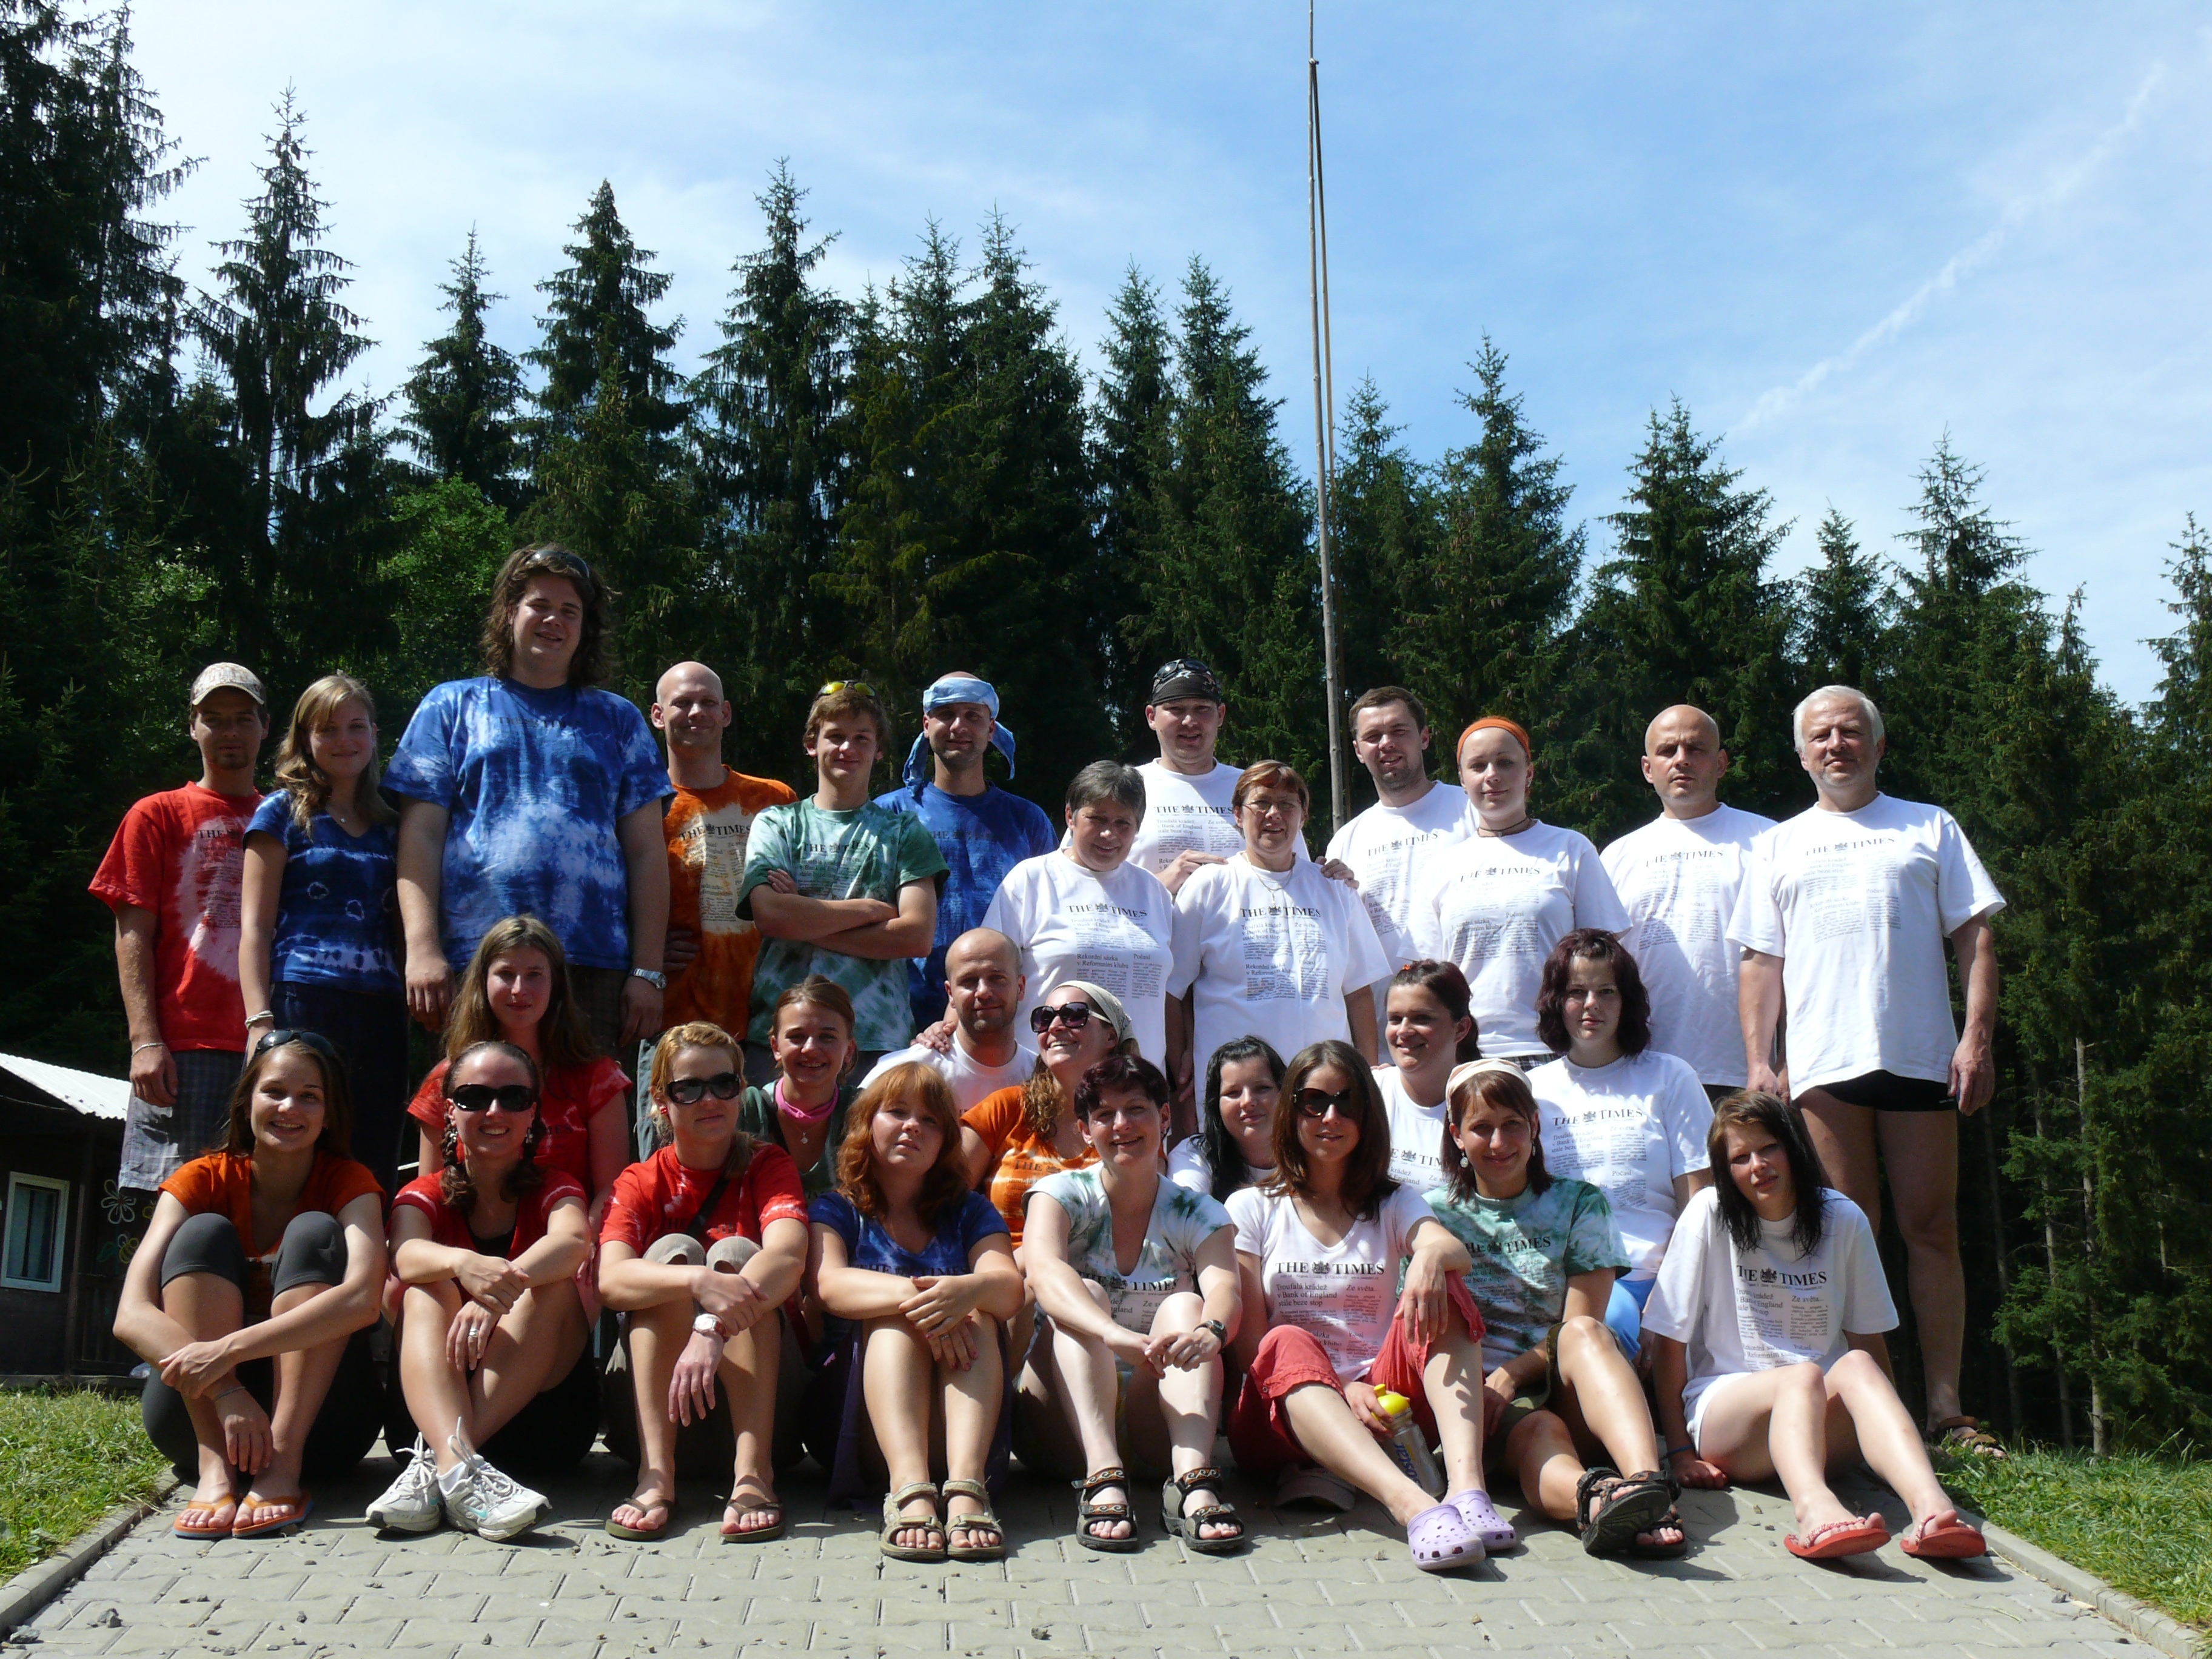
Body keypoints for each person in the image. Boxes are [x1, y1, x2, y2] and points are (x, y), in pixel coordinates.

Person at [1730, 685, 2005, 1455]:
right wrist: (1760, 1062)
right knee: (1848, 1237)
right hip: (1824, 1065)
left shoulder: (1930, 825)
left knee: (1932, 1228)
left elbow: (1976, 939)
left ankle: (1947, 1411)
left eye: (1851, 732)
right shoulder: (1778, 845)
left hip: (1920, 1058)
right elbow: (1760, 961)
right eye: (1821, 735)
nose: (1837, 745)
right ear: (1801, 754)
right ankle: (1873, 1413)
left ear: (1878, 746)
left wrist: (1976, 1040)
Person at [1645, 1091, 1988, 1561]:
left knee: (1857, 1365)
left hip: (1821, 1421)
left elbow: (1869, 1340)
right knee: (1803, 1375)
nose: (1758, 1166)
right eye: (1741, 1158)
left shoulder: (1842, 1218)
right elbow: (1669, 1342)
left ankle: (1933, 1511)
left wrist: (1891, 1443)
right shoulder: (1709, 1212)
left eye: (1769, 1148)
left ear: (1793, 1147)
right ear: (1726, 1170)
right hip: (1731, 1418)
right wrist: (1681, 1452)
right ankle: (1816, 1512)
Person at [1226, 1041, 1509, 1572]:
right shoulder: (1251, 1207)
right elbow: (1250, 1352)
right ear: (1291, 1111)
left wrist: (1428, 1258)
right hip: (1279, 1417)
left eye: (1347, 1102)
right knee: (1284, 1341)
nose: (1330, 1117)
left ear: (1368, 1114)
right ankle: (1414, 1508)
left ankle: (1468, 1491)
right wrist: (1339, 1390)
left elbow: (1452, 1250)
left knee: (1446, 1284)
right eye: (1314, 1102)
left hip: (1384, 1405)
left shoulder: (1395, 1201)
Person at [387, 543, 670, 1059]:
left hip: (593, 961)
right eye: (539, 605)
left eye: (570, 611)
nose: (553, 620)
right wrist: (422, 949)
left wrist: (648, 971)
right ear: (509, 612)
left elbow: (648, 853)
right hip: (478, 960)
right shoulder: (449, 706)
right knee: (477, 1101)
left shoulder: (619, 720)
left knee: (589, 1107)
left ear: (585, 627)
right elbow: (420, 837)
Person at [113, 1030, 384, 1538]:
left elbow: (363, 1300)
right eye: (274, 1092)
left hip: (325, 1430)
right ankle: (215, 1470)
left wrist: (226, 1352)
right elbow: (130, 1315)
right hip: (199, 1421)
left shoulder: (350, 1182)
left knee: (315, 1233)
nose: (290, 1108)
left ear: (329, 1115)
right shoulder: (200, 1178)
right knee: (201, 1233)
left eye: (309, 1097)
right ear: (246, 1103)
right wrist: (227, 1390)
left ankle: (281, 1466)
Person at [1427, 1061, 1685, 1557]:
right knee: (1540, 1429)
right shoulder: (1433, 1214)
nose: (1499, 1142)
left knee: (1586, 1331)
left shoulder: (1580, 1203)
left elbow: (1578, 1321)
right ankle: (1602, 1501)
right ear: (1457, 1135)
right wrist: (1494, 1384)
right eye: (1481, 1128)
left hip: (1563, 1387)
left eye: (1512, 1124)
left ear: (1535, 1126)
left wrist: (1512, 1375)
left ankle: (1649, 1487)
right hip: (1482, 1406)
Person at [1019, 1054, 1245, 1553]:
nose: (1122, 1125)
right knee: (1086, 1294)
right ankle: (1103, 1477)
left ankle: (1192, 1482)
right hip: (1061, 1427)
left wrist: (1211, 1331)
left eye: (1137, 1109)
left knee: (1189, 1307)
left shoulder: (1198, 1211)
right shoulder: (1058, 1194)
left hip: (1155, 1426)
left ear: (1164, 1118)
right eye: (1105, 1115)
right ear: (1085, 1130)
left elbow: (1225, 1289)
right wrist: (1112, 1334)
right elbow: (1044, 1273)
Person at [598, 1023, 811, 1542]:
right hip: (657, 1416)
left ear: (742, 1090)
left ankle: (754, 1475)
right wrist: (695, 1282)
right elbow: (611, 1279)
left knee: (737, 1255)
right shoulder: (640, 1180)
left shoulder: (768, 1164)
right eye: (689, 1088)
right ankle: (655, 1476)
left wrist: (711, 1326)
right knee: (672, 1256)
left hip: (764, 1416)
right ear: (661, 1100)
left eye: (723, 1084)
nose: (709, 1099)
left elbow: (788, 1257)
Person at [370, 1041, 592, 1540]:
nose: (495, 1111)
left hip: (543, 1430)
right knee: (425, 1289)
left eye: (513, 1097)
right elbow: (404, 1253)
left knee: (552, 1289)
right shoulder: (424, 1194)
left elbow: (574, 1241)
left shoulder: (555, 1186)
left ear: (533, 1113)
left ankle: (444, 1467)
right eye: (475, 1097)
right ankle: (460, 1471)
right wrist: (463, 1264)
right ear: (450, 1111)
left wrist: (498, 1293)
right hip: (424, 1424)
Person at [809, 1063, 1024, 1561]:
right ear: (867, 1125)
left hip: (956, 1428)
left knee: (978, 1312)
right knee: (895, 1319)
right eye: (898, 1112)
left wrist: (966, 1295)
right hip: (857, 1425)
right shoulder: (838, 1209)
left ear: (946, 1139)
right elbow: (828, 1285)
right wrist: (930, 1303)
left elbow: (1008, 1288)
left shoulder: (970, 1210)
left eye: (930, 1121)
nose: (913, 1128)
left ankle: (967, 1490)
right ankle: (909, 1492)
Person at [94, 663, 269, 1193]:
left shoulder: (284, 818)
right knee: (175, 1209)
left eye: (243, 718)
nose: (230, 732)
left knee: (260, 1210)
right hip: (184, 1047)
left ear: (265, 726)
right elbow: (132, 935)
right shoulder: (156, 815)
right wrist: (145, 1041)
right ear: (193, 726)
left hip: (269, 1045)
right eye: (214, 718)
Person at [240, 673, 408, 1196]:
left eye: (356, 727)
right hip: (304, 999)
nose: (344, 741)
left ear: (375, 734)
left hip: (382, 1008)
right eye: (328, 729)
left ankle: (364, 1246)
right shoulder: (281, 812)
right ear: (305, 738)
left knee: (373, 1148)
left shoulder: (394, 823)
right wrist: (258, 1021)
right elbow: (254, 927)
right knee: (299, 1143)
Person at [738, 680, 947, 1074]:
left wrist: (803, 918)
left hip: (876, 1042)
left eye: (861, 738)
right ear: (811, 744)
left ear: (879, 749)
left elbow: (915, 937)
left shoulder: (904, 833)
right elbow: (770, 915)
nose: (847, 748)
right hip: (782, 1040)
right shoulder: (777, 824)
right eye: (835, 736)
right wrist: (870, 910)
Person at [1527, 930, 1712, 1358]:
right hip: (1566, 1281)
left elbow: (1700, 1203)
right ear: (1556, 1001)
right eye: (1576, 992)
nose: (1591, 1004)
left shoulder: (1671, 1077)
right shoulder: (1533, 1090)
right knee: (1598, 1323)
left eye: (1606, 991)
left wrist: (1668, 1304)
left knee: (1606, 1323)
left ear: (1627, 1001)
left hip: (1656, 1278)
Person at [1409, 717, 1629, 1064]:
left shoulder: (1571, 849)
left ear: (1529, 773)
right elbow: (1428, 978)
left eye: (1505, 763)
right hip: (1468, 1055)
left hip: (1558, 1052)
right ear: (1462, 779)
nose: (1492, 775)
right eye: (1478, 766)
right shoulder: (1440, 868)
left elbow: (1603, 960)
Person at [1170, 761, 1392, 1099]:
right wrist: (1180, 1066)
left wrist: (1368, 1075)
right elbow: (1173, 990)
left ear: (1303, 817)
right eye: (1261, 803)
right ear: (1237, 814)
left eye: (1287, 804)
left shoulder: (1334, 888)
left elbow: (1358, 992)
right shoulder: (1210, 885)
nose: (1274, 814)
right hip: (1239, 1093)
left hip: (1323, 1087)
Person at [408, 916, 630, 1233]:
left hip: (570, 1246)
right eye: (506, 974)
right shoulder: (446, 1080)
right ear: (483, 981)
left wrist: (577, 1248)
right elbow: (428, 1197)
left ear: (556, 984)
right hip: (469, 1252)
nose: (519, 990)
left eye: (534, 975)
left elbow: (612, 1192)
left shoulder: (597, 1078)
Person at [1601, 705, 1775, 1099]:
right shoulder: (1617, 857)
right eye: (1668, 750)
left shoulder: (1768, 842)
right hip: (1641, 1070)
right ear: (1648, 769)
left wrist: (1785, 1061)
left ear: (1721, 763)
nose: (1682, 759)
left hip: (1746, 1072)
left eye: (1696, 748)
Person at [874, 672, 1055, 1031]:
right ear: (926, 725)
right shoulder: (889, 815)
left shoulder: (1027, 820)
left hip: (999, 1018)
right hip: (898, 1017)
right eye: (946, 714)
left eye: (973, 716)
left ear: (991, 729)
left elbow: (1051, 918)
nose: (959, 726)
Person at [651, 660, 798, 1072]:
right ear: (658, 716)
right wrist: (643, 952)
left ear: (726, 713)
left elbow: (810, 893)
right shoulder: (643, 806)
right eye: (682, 703)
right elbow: (614, 897)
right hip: (676, 1025)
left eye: (708, 702)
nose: (696, 712)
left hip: (771, 1022)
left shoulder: (775, 799)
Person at [984, 762, 1178, 1066]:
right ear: (1070, 817)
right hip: (1049, 1077)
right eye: (1097, 819)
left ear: (1138, 827)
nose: (1109, 833)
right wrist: (951, 1027)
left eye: (1123, 823)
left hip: (1135, 1083)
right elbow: (986, 970)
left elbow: (1173, 994)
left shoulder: (1155, 892)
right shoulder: (1031, 880)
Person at [1326, 688, 1475, 1021]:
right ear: (1358, 751)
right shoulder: (1345, 841)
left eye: (1399, 731)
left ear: (1424, 737)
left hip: (1467, 1020)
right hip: (1387, 1031)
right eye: (1373, 736)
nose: (1386, 744)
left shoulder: (1471, 811)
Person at [1117, 659, 1311, 895]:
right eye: (1176, 709)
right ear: (1151, 717)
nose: (1190, 721)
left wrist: (1332, 879)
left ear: (1220, 715)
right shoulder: (1123, 787)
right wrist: (1158, 886)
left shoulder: (1256, 787)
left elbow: (1299, 877)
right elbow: (1085, 883)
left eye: (1202, 709)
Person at [959, 981, 1130, 1248]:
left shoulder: (1133, 1123)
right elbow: (944, 1199)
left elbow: (1143, 1224)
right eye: (1045, 1017)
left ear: (1111, 1037)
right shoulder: (1006, 1108)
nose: (1055, 1026)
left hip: (1094, 1271)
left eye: (1075, 1015)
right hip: (999, 1268)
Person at [862, 929, 1036, 1111]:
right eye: (969, 981)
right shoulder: (903, 1071)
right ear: (950, 993)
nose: (983, 992)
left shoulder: (1044, 1078)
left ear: (1021, 987)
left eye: (997, 978)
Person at [734, 978, 864, 1198]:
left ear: (849, 1050)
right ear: (776, 1047)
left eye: (827, 1037)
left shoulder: (865, 1111)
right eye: (797, 1037)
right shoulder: (745, 1108)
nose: (811, 1049)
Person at [1375, 961, 1481, 1191]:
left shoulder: (1486, 1100)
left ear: (1461, 1029)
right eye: (1395, 1019)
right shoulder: (1370, 1091)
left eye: (1421, 1018)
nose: (1404, 1031)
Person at [1170, 1037, 1287, 1201]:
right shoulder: (1194, 1156)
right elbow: (1188, 1211)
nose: (1247, 1101)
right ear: (1215, 1104)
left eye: (1262, 1089)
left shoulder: (1312, 1155)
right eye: (1233, 1093)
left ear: (1285, 1094)